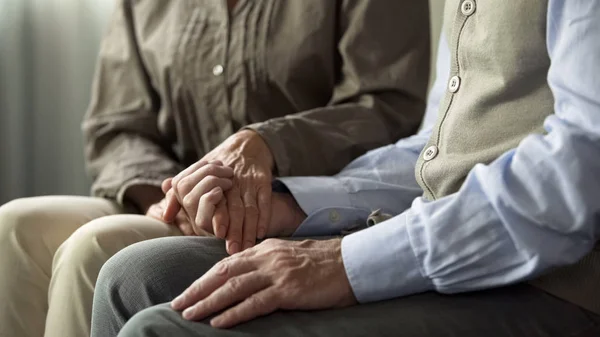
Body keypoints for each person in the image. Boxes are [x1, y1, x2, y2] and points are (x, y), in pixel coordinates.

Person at [90, 1, 600, 336]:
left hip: (555, 281)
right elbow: (439, 146)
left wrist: (345, 263)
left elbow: (575, 175)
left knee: (158, 330)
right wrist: (300, 205)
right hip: (446, 229)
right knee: (131, 276)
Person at [0, 1, 430, 337]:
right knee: (15, 226)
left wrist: (265, 142)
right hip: (164, 200)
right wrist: (166, 198)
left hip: (282, 207)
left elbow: (386, 107)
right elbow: (116, 125)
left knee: (92, 248)